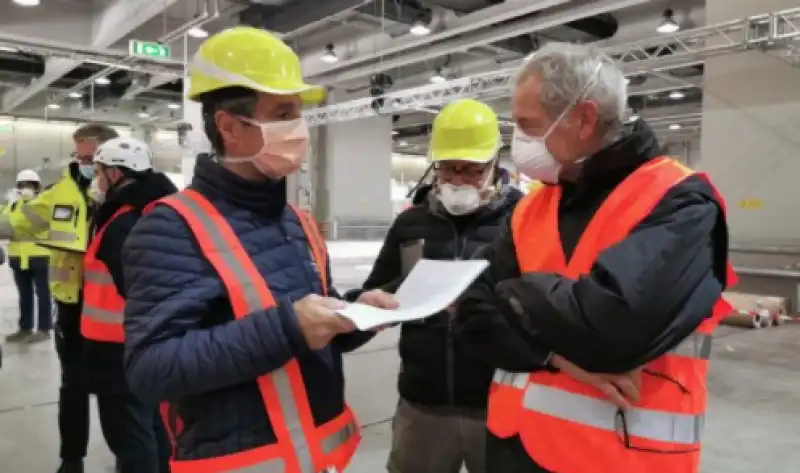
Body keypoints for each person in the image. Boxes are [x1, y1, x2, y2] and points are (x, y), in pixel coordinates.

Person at [121, 26, 397, 472]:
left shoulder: (297, 221)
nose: (300, 128)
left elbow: (307, 332)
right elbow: (151, 369)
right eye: (283, 112)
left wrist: (354, 316)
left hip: (323, 458)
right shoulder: (171, 227)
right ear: (228, 126)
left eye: (299, 112)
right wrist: (289, 327)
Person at [457, 42, 734, 473]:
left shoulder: (680, 201)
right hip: (513, 448)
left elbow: (611, 332)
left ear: (584, 119)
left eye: (529, 126)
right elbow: (473, 315)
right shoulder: (532, 206)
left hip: (623, 456)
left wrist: (513, 291)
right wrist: (557, 355)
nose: (521, 142)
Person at [350, 99, 522, 473]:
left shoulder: (522, 221)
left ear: (494, 164)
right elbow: (377, 288)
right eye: (448, 169)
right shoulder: (410, 225)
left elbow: (542, 300)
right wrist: (370, 303)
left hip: (498, 402)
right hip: (422, 403)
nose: (458, 180)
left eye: (472, 170)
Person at [0, 123, 118, 473]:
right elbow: (16, 222)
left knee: (122, 392)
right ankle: (72, 458)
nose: (83, 164)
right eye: (78, 156)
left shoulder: (130, 193)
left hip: (115, 308)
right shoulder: (59, 193)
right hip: (72, 305)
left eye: (89, 158)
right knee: (73, 387)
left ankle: (134, 455)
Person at [82, 137, 176, 472]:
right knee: (153, 426)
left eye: (99, 170)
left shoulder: (121, 222)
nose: (96, 178)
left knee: (130, 437)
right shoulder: (160, 208)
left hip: (118, 348)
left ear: (117, 173)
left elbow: (135, 286)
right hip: (153, 341)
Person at [3, 169, 52, 343]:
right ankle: (25, 328)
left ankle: (44, 329)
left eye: (30, 185)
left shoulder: (42, 203)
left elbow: (37, 223)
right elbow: (5, 226)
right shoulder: (13, 205)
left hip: (40, 255)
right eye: (23, 185)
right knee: (24, 294)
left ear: (37, 187)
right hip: (17, 256)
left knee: (43, 294)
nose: (26, 188)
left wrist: (22, 207)